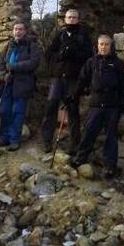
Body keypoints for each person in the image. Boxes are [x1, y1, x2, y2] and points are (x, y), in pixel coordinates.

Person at [69, 34, 124, 178]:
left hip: (112, 105)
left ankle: (109, 167)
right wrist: (73, 95)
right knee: (89, 132)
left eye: (106, 44)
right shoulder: (91, 62)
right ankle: (80, 158)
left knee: (111, 137)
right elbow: (82, 80)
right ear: (97, 45)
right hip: (96, 104)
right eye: (101, 44)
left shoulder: (118, 64)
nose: (103, 47)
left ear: (111, 46)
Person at [41, 9, 92, 154]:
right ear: (65, 19)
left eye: (74, 17)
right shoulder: (59, 35)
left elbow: (89, 56)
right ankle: (47, 141)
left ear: (78, 19)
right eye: (69, 17)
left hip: (73, 79)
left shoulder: (83, 36)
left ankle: (74, 144)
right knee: (51, 106)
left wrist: (74, 54)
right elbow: (49, 53)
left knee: (72, 109)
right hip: (58, 78)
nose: (71, 19)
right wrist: (60, 55)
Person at [0, 20, 40, 151]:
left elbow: (34, 62)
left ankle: (14, 139)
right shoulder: (8, 45)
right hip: (7, 83)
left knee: (17, 112)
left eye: (20, 29)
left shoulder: (32, 45)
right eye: (15, 29)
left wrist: (14, 67)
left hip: (23, 84)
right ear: (13, 31)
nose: (17, 31)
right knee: (4, 111)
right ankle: (4, 138)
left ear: (25, 31)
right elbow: (0, 63)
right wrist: (3, 75)